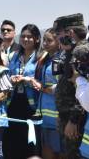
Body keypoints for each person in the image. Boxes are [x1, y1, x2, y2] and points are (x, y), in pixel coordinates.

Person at [4, 24, 42, 159]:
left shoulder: (41, 58)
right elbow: (8, 75)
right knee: (13, 140)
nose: (25, 39)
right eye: (23, 36)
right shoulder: (15, 56)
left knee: (30, 142)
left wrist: (26, 79)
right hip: (14, 102)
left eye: (29, 37)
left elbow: (41, 82)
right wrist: (12, 79)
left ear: (37, 39)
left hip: (32, 105)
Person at [53, 13, 87, 158]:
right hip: (66, 117)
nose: (56, 37)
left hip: (76, 121)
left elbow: (85, 89)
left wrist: (73, 120)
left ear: (70, 32)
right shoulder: (70, 51)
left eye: (57, 33)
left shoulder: (82, 52)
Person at [31, 28, 63, 159]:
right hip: (45, 118)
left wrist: (42, 88)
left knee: (61, 153)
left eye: (49, 40)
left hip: (58, 118)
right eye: (44, 40)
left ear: (58, 42)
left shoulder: (61, 60)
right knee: (47, 152)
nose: (45, 43)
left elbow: (62, 87)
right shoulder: (45, 60)